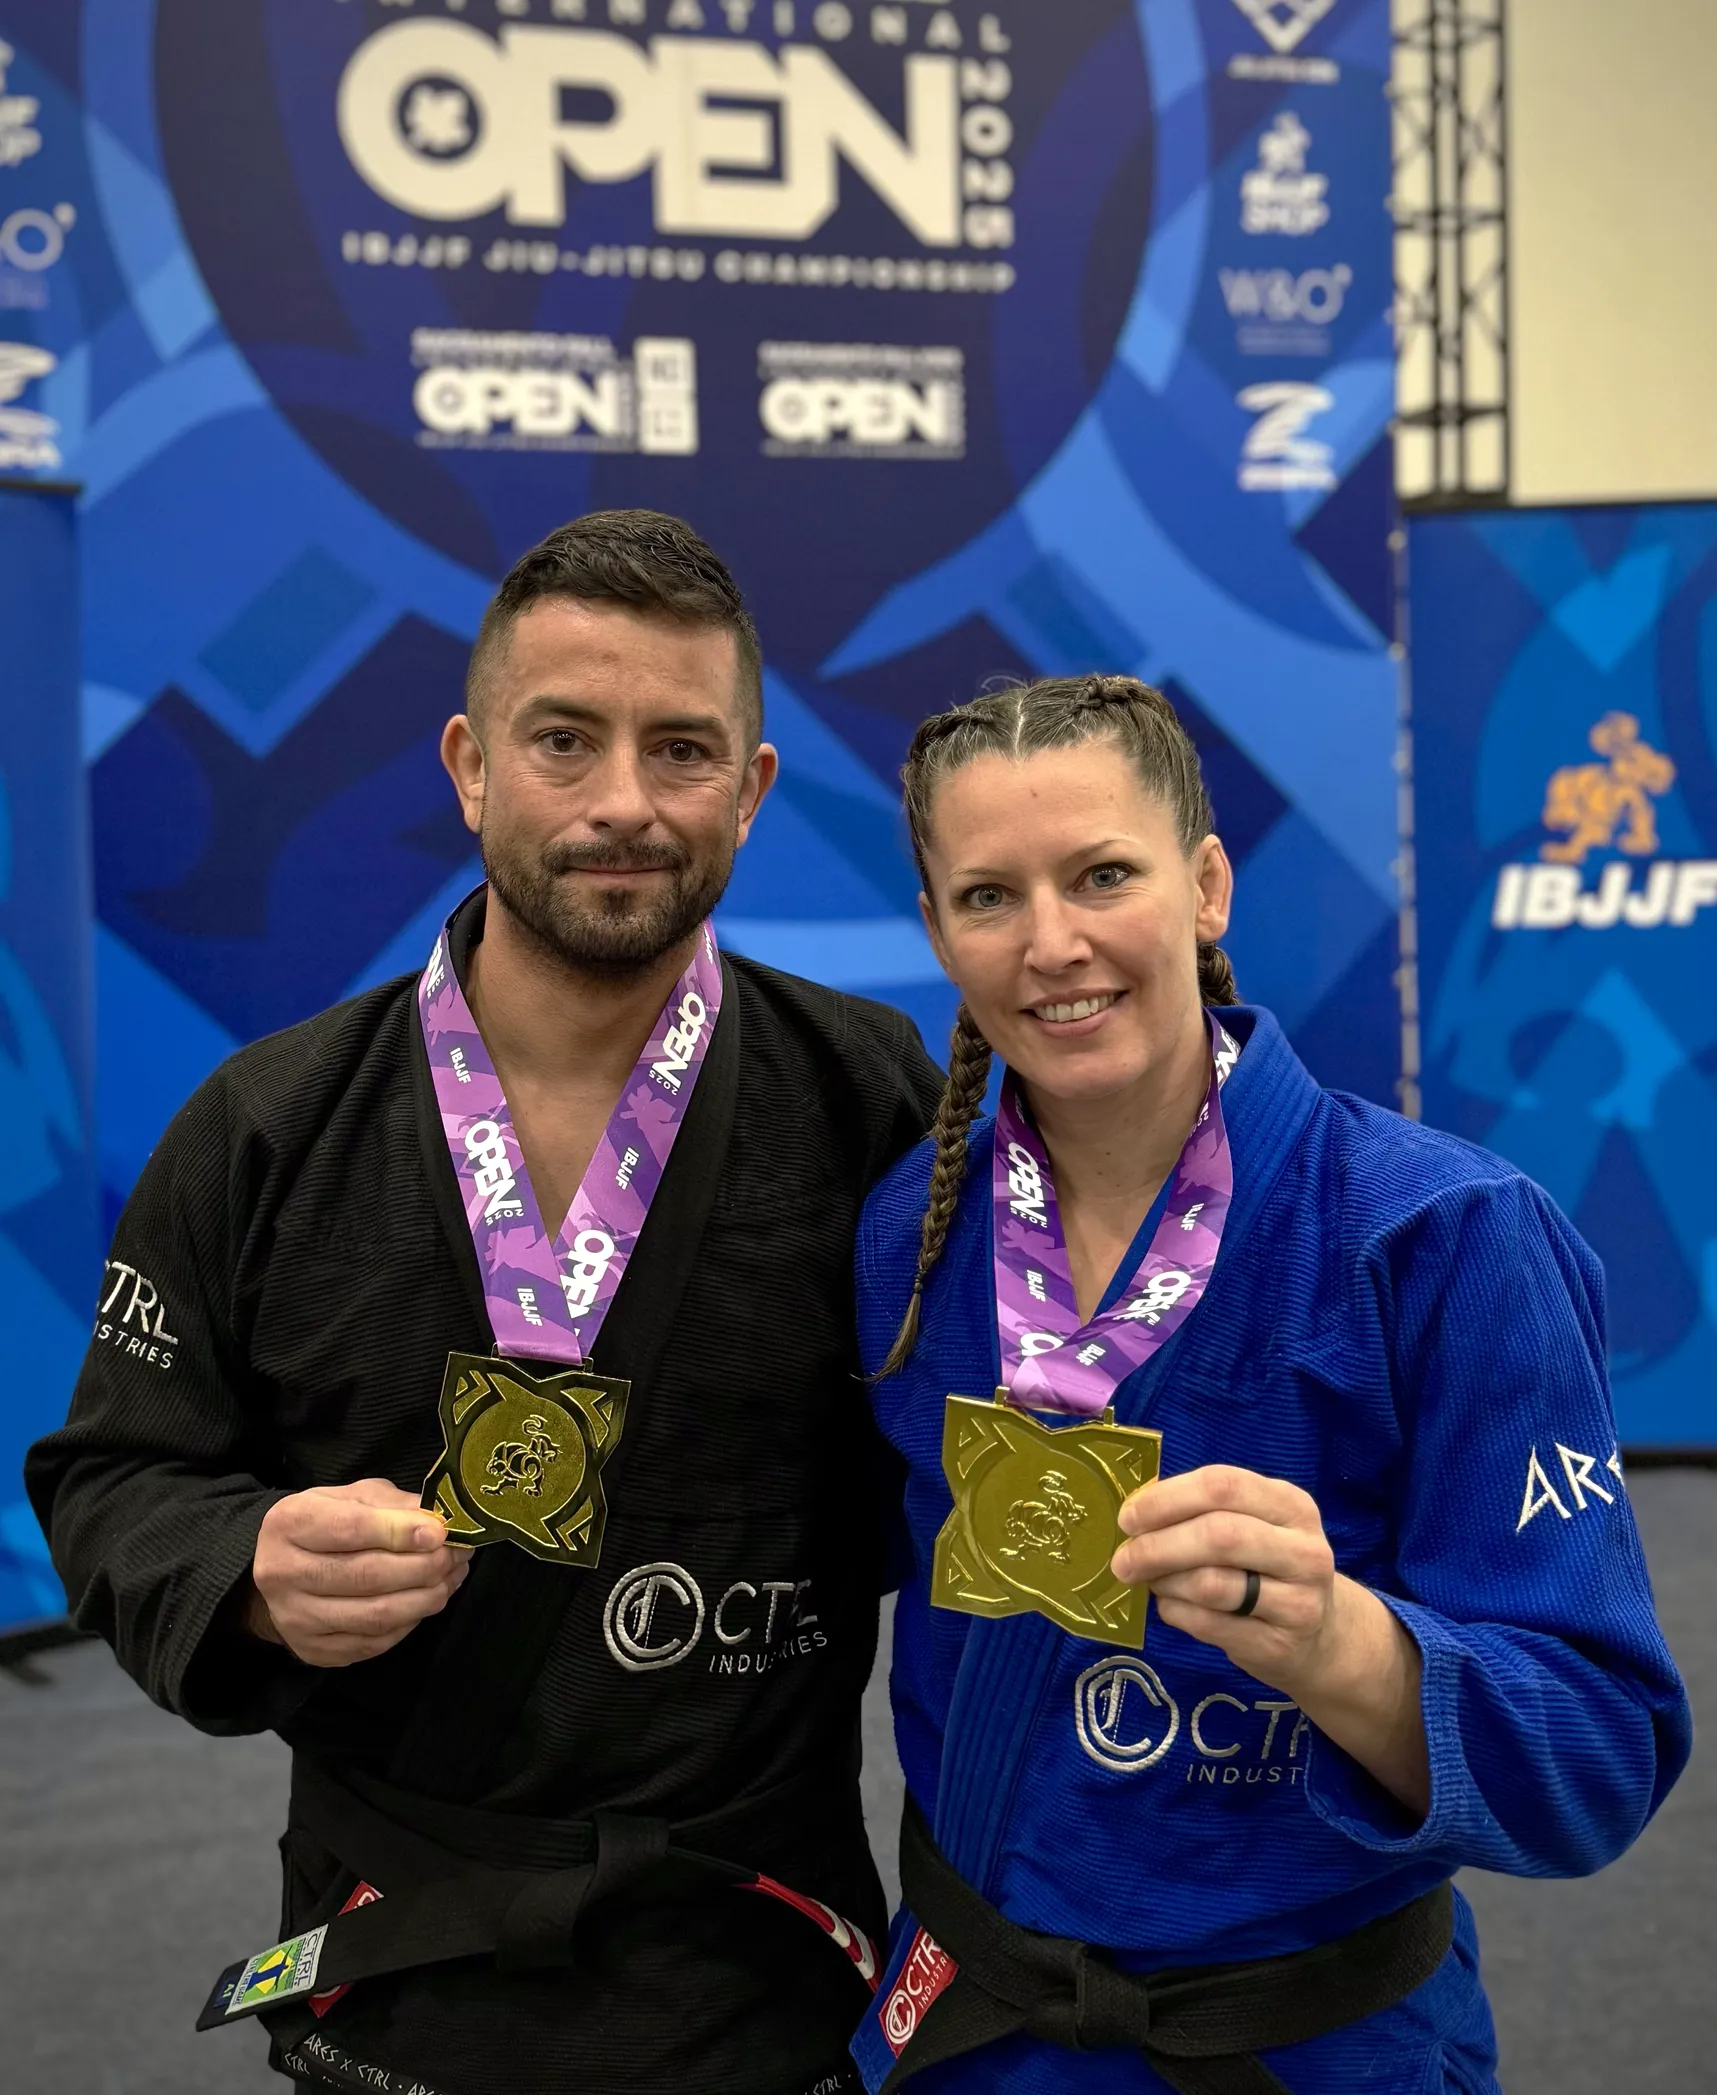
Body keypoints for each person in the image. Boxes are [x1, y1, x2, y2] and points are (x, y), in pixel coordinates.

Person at [28, 511, 945, 2095]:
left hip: (760, 1968)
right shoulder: (268, 1125)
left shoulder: (874, 1103)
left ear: (755, 784)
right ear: (468, 762)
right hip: (401, 1972)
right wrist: (241, 1564)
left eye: (681, 749)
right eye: (564, 741)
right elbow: (114, 1475)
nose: (622, 805)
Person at [849, 676, 1691, 2095]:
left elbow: (1600, 1752)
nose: (1053, 943)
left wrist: (1344, 1641)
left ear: (1206, 885)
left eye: (1103, 873)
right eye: (990, 895)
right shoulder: (908, 1242)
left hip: (1310, 2047)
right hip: (977, 2034)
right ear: (939, 929)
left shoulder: (1443, 1237)